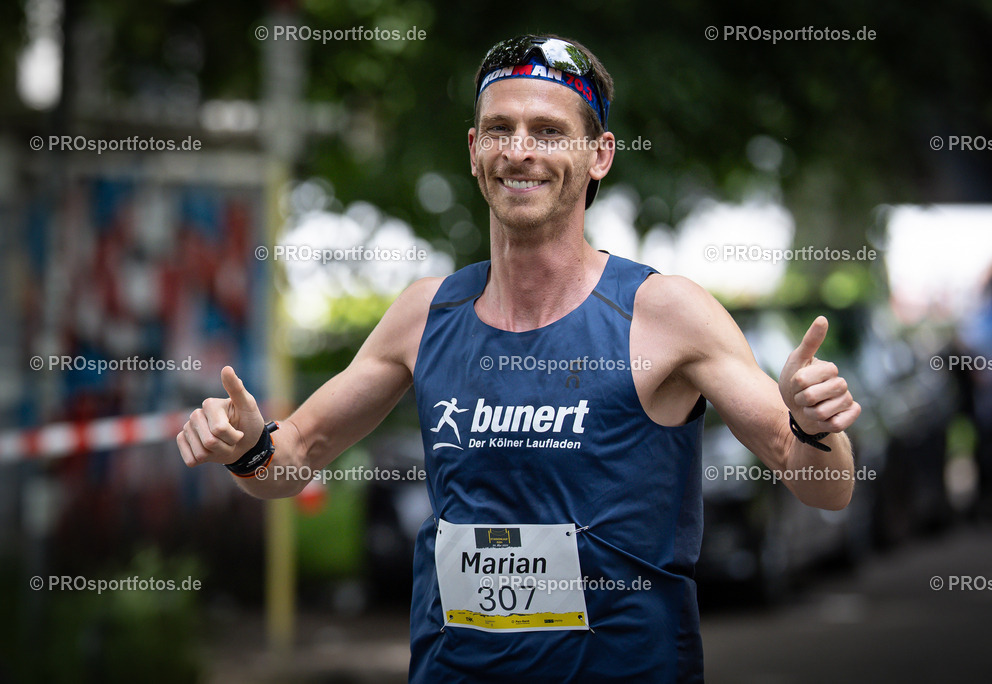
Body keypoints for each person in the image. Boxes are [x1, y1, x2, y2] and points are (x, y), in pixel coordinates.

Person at [177, 34, 861, 683]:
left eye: (549, 132)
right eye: (500, 129)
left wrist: (812, 425)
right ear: (475, 151)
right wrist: (247, 448)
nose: (520, 150)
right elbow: (294, 456)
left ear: (600, 155)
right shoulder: (425, 315)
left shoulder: (665, 314)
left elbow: (824, 486)